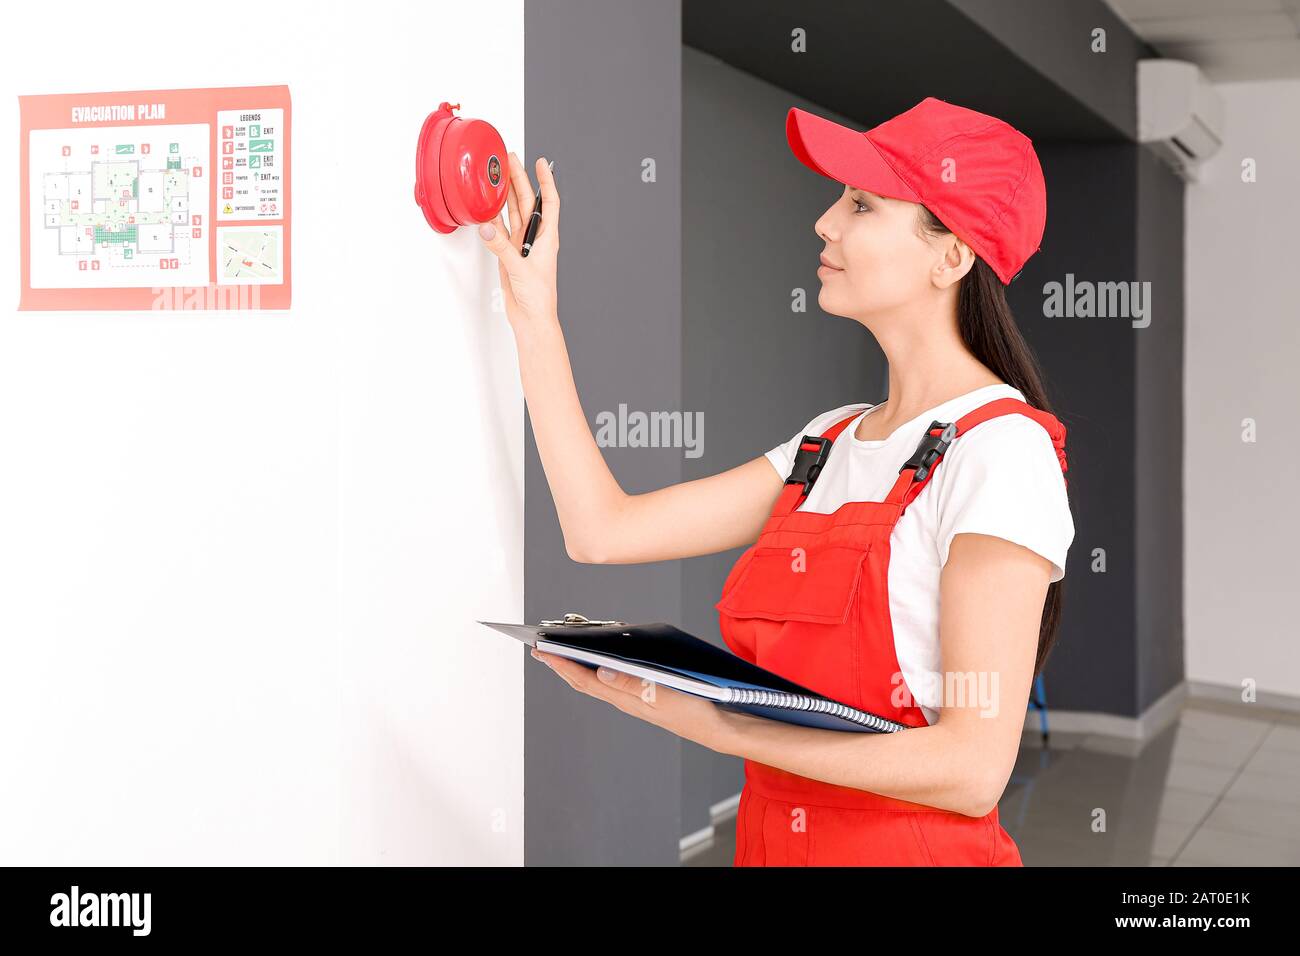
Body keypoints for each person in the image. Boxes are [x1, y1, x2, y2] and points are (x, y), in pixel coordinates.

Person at [477, 96, 1074, 866]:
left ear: (951, 256)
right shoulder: (828, 442)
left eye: (861, 204)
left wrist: (715, 723)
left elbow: (971, 771)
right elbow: (601, 530)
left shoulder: (1000, 452)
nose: (825, 223)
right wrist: (534, 314)